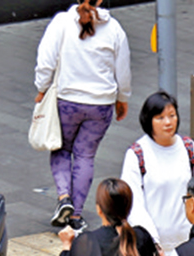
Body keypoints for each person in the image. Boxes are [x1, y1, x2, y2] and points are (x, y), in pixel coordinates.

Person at [36, 0, 131, 229]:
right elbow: (124, 70)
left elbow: (45, 61)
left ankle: (63, 198)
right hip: (101, 105)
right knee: (85, 156)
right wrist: (122, 98)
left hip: (67, 102)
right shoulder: (115, 29)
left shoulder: (61, 23)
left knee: (61, 149)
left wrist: (41, 89)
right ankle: (76, 216)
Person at [121, 90, 194, 256]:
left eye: (172, 116)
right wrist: (153, 241)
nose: (168, 122)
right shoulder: (137, 154)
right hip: (150, 245)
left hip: (186, 242)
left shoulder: (189, 148)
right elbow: (134, 204)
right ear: (148, 120)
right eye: (160, 117)